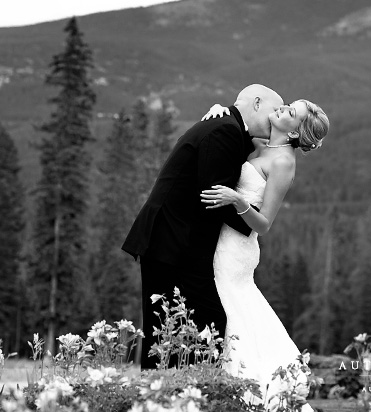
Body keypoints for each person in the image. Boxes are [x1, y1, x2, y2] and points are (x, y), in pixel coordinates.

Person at [121, 84, 284, 369]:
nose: (275, 118)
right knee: (182, 325)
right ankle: (170, 394)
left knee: (173, 326)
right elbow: (211, 194)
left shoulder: (230, 128)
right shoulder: (226, 130)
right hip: (172, 243)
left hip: (174, 241)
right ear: (257, 103)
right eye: (274, 110)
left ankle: (176, 393)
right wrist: (251, 223)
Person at [200, 99, 329, 410]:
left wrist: (235, 199)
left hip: (236, 246)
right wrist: (218, 112)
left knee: (230, 310)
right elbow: (234, 127)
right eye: (288, 105)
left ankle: (241, 391)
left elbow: (265, 222)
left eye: (291, 113)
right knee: (231, 310)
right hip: (220, 239)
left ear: (297, 132)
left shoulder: (283, 162)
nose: (283, 108)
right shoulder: (262, 143)